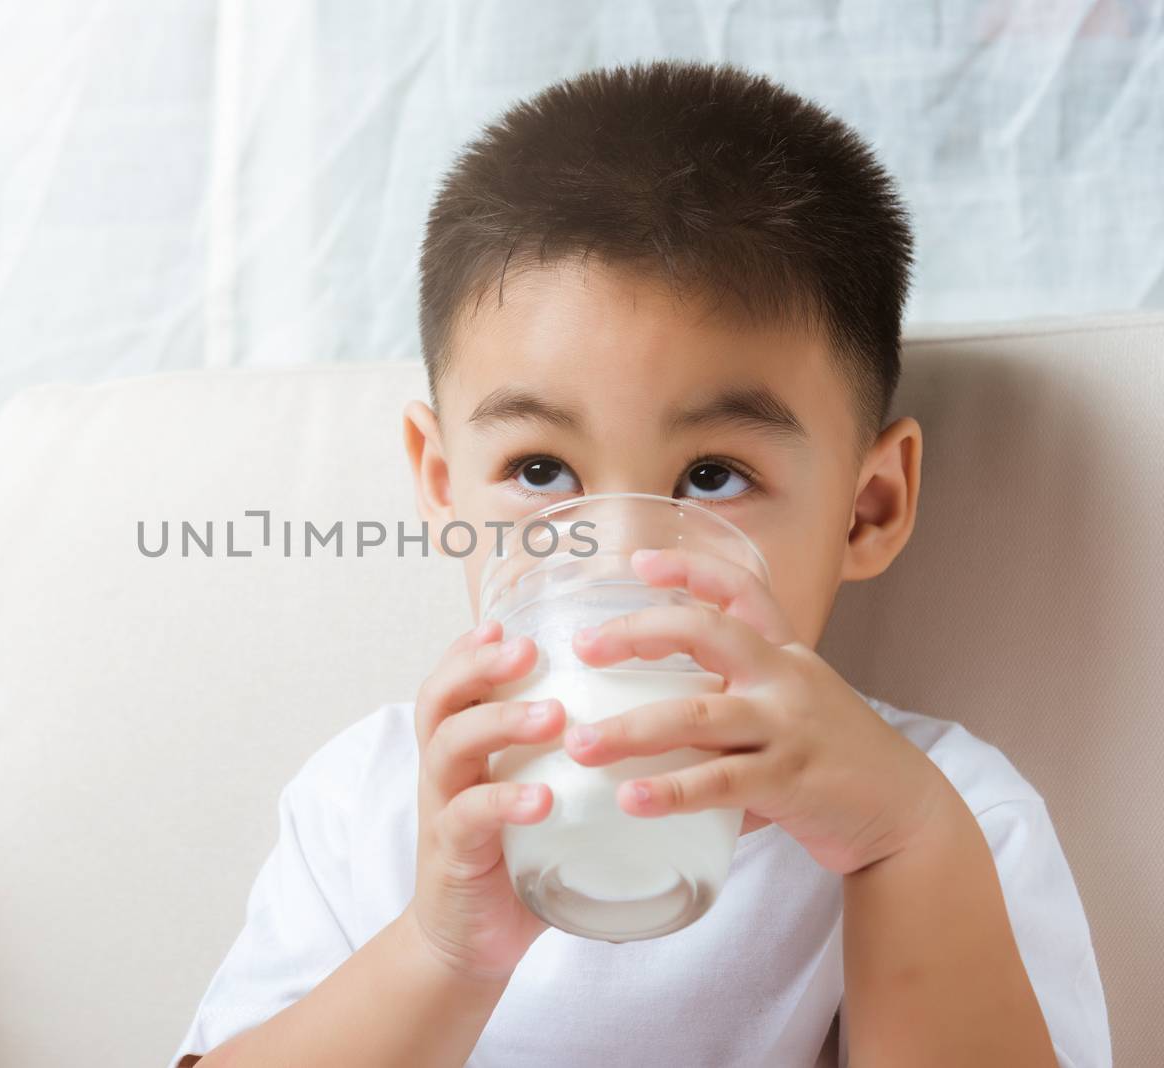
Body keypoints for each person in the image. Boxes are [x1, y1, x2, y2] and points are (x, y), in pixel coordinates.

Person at [172, 59, 1110, 1067]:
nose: (619, 556)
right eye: (540, 469)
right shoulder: (373, 802)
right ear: (442, 484)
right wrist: (442, 948)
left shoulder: (950, 816)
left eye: (711, 477)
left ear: (864, 510)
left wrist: (900, 849)